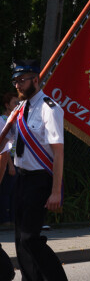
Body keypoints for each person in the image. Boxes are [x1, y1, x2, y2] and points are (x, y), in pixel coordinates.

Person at [4, 60, 67, 280]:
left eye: (22, 80)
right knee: (20, 240)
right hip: (21, 179)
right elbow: (8, 140)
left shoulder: (50, 109)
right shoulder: (20, 109)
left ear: (36, 79)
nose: (18, 85)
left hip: (40, 180)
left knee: (30, 238)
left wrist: (56, 191)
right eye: (15, 81)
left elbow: (58, 153)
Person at [0, 93, 18, 226]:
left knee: (15, 191)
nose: (17, 105)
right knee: (6, 190)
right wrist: (9, 165)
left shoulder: (19, 119)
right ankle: (5, 219)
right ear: (7, 105)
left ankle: (13, 218)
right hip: (8, 159)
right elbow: (5, 146)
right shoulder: (3, 120)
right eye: (14, 103)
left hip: (18, 159)